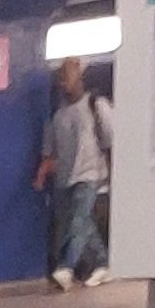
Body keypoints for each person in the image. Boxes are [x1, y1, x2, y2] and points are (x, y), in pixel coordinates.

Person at [37, 61, 112, 290]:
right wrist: (42, 174)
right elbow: (50, 151)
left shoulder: (95, 105)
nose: (63, 84)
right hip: (65, 177)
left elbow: (111, 139)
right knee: (81, 221)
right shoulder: (58, 115)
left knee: (78, 219)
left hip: (91, 173)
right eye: (60, 79)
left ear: (79, 78)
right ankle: (103, 263)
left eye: (67, 78)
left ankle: (65, 268)